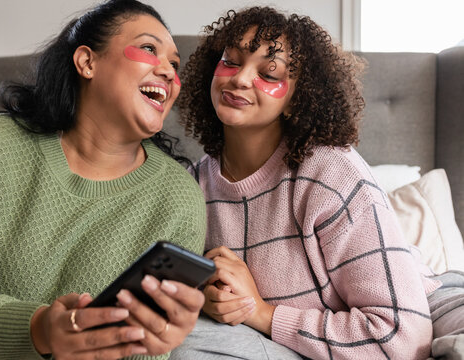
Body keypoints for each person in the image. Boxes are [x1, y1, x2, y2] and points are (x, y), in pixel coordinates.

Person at [0, 1, 207, 359]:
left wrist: (153, 340)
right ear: (87, 62)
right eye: (150, 49)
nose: (169, 71)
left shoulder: (179, 198)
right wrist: (38, 329)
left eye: (176, 64)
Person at [171, 6, 444, 360]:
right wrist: (211, 299)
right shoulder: (193, 185)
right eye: (232, 61)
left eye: (270, 74)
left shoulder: (331, 173)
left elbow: (402, 339)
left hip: (416, 311)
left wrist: (261, 311)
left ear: (295, 99)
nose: (239, 79)